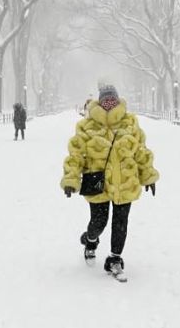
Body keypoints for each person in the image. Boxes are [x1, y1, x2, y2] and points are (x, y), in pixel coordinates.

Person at [60, 84, 158, 282]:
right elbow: (76, 155)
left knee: (120, 223)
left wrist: (147, 176)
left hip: (125, 183)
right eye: (106, 100)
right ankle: (90, 240)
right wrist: (71, 179)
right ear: (99, 101)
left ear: (118, 100)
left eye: (113, 100)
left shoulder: (130, 124)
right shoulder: (87, 126)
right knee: (99, 223)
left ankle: (114, 259)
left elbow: (141, 152)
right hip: (98, 184)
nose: (109, 103)